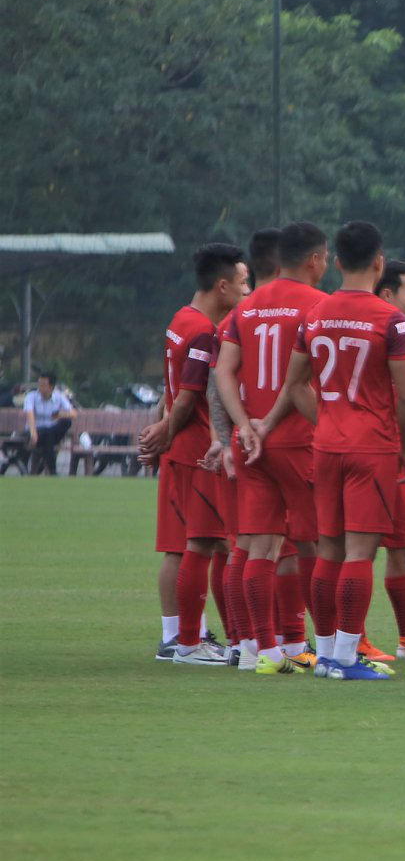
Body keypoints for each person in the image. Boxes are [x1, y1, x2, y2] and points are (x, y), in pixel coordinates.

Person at [275, 221, 405, 681]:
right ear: (379, 263)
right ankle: (345, 656)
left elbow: (295, 385)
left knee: (328, 550)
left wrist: (329, 420)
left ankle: (328, 653)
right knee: (361, 553)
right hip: (371, 446)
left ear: (336, 262)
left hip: (327, 444)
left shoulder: (314, 315)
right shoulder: (391, 320)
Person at [218, 220, 330, 675]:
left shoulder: (245, 309)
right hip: (298, 439)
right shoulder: (320, 305)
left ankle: (262, 650)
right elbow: (298, 380)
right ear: (315, 260)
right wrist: (269, 422)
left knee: (255, 546)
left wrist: (244, 426)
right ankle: (322, 646)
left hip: (251, 444)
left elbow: (224, 372)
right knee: (316, 545)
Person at [140, 243, 248, 664]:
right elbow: (186, 398)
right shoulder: (203, 330)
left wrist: (158, 436)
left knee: (179, 547)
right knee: (210, 544)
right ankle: (193, 641)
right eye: (241, 284)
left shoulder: (179, 319)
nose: (244, 291)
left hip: (177, 450)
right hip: (198, 449)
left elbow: (170, 392)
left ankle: (178, 637)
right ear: (222, 286)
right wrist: (165, 433)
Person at [366, 259, 405, 665]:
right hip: (371, 452)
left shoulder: (400, 331)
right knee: (358, 550)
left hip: (394, 455)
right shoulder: (381, 327)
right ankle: (355, 638)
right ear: (387, 293)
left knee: (404, 549)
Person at [24, 372, 75, 475]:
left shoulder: (59, 397)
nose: (40, 387)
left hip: (52, 432)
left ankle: (49, 471)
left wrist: (60, 414)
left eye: (43, 385)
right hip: (37, 432)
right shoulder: (31, 396)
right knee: (48, 436)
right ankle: (52, 471)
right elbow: (30, 416)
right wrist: (33, 434)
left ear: (51, 387)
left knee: (66, 422)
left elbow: (73, 414)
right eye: (39, 384)